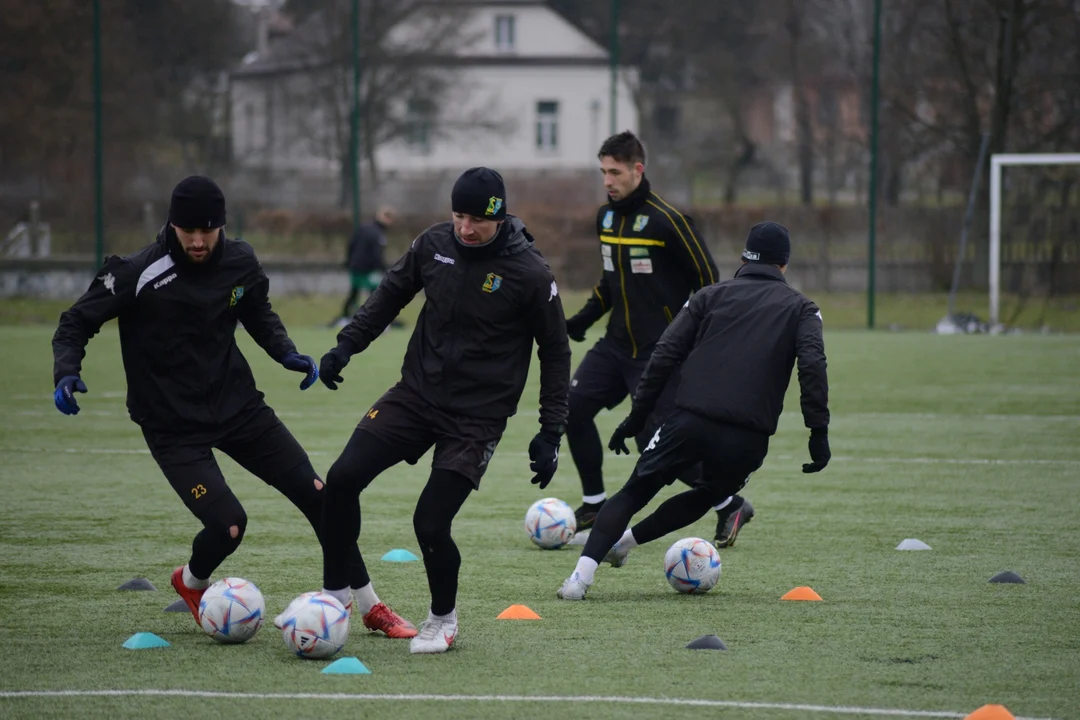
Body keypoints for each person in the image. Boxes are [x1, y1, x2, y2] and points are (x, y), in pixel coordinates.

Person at [51, 176, 385, 632]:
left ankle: (370, 607)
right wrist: (67, 369)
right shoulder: (137, 272)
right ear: (172, 224)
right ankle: (191, 581)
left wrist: (284, 352)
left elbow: (257, 312)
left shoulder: (240, 261)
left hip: (240, 409)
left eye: (207, 231)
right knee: (229, 526)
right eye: (187, 230)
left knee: (320, 496)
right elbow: (75, 321)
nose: (197, 240)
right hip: (172, 427)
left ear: (222, 227)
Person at [312, 167, 571, 654]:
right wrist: (346, 346)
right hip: (415, 396)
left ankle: (443, 619)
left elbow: (555, 351)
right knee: (342, 478)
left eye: (477, 220)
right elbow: (390, 296)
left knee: (430, 523)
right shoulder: (433, 243)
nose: (466, 228)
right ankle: (335, 596)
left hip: (476, 418)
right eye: (458, 216)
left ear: (499, 216)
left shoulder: (530, 272)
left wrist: (550, 430)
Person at [556, 221, 831, 600]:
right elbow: (813, 366)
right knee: (706, 495)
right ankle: (625, 545)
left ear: (743, 258)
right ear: (783, 265)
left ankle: (579, 580)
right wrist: (818, 432)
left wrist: (637, 416)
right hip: (748, 438)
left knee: (636, 490)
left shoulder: (708, 296)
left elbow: (665, 353)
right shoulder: (803, 309)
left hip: (689, 421)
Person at [561, 130, 753, 549]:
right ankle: (594, 502)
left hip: (657, 352)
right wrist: (578, 320)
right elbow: (609, 285)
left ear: (637, 169)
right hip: (614, 346)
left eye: (615, 172)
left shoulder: (669, 220)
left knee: (658, 444)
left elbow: (708, 284)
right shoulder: (606, 218)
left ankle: (729, 502)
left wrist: (692, 338)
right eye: (603, 172)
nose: (607, 180)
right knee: (571, 410)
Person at [335, 206, 399, 327]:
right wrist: (383, 269)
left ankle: (346, 317)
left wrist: (349, 262)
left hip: (355, 267)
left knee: (355, 291)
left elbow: (351, 245)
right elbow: (376, 254)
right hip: (369, 269)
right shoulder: (378, 234)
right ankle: (376, 318)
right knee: (375, 294)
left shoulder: (363, 228)